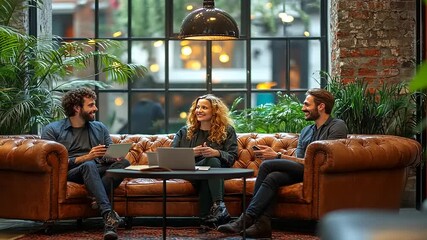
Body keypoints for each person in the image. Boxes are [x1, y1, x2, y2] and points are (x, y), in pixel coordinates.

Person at [217, 88, 348, 238]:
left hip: (320, 174)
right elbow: (300, 160)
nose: (303, 108)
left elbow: (323, 162)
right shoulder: (306, 131)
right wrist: (280, 156)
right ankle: (262, 224)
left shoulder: (337, 126)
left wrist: (277, 156)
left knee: (267, 165)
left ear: (321, 106)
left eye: (306, 104)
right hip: (303, 171)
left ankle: (246, 219)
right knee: (273, 177)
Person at [41, 88, 130, 240]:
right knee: (88, 165)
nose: (95, 108)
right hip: (73, 172)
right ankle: (108, 215)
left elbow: (109, 151)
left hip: (97, 169)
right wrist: (86, 157)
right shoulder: (53, 130)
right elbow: (52, 165)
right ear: (77, 108)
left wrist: (113, 157)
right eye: (91, 105)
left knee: (125, 162)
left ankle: (95, 194)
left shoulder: (99, 127)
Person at [172, 94, 238, 230]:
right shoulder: (184, 132)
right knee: (210, 164)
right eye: (197, 107)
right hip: (191, 170)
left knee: (211, 163)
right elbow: (171, 156)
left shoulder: (227, 131)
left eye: (204, 107)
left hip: (213, 171)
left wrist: (217, 153)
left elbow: (232, 156)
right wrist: (191, 153)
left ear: (215, 111)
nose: (199, 110)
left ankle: (205, 219)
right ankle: (219, 207)